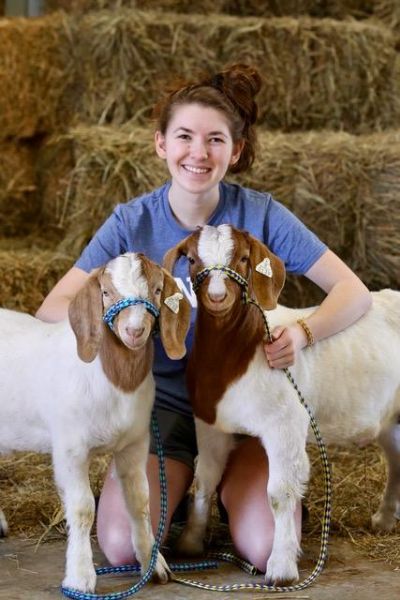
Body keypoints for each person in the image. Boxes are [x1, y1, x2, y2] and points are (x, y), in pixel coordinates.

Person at [36, 63, 372, 572]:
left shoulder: (260, 215)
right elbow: (53, 308)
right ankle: (187, 486)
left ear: (234, 152)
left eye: (215, 140)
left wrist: (302, 332)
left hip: (248, 409)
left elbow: (354, 292)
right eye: (185, 137)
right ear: (160, 144)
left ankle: (228, 491)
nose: (198, 153)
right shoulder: (132, 223)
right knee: (124, 548)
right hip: (164, 406)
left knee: (263, 548)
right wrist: (126, 321)